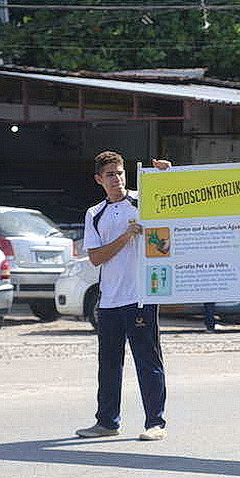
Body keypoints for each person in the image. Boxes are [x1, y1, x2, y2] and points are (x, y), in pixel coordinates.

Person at [76, 151, 171, 441]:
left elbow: (173, 203)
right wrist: (126, 236)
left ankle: (155, 422)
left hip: (140, 295)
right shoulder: (95, 214)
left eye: (119, 173)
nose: (116, 179)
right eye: (109, 175)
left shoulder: (142, 201)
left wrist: (167, 174)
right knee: (108, 364)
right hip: (109, 301)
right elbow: (96, 257)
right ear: (99, 180)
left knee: (147, 360)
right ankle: (106, 422)